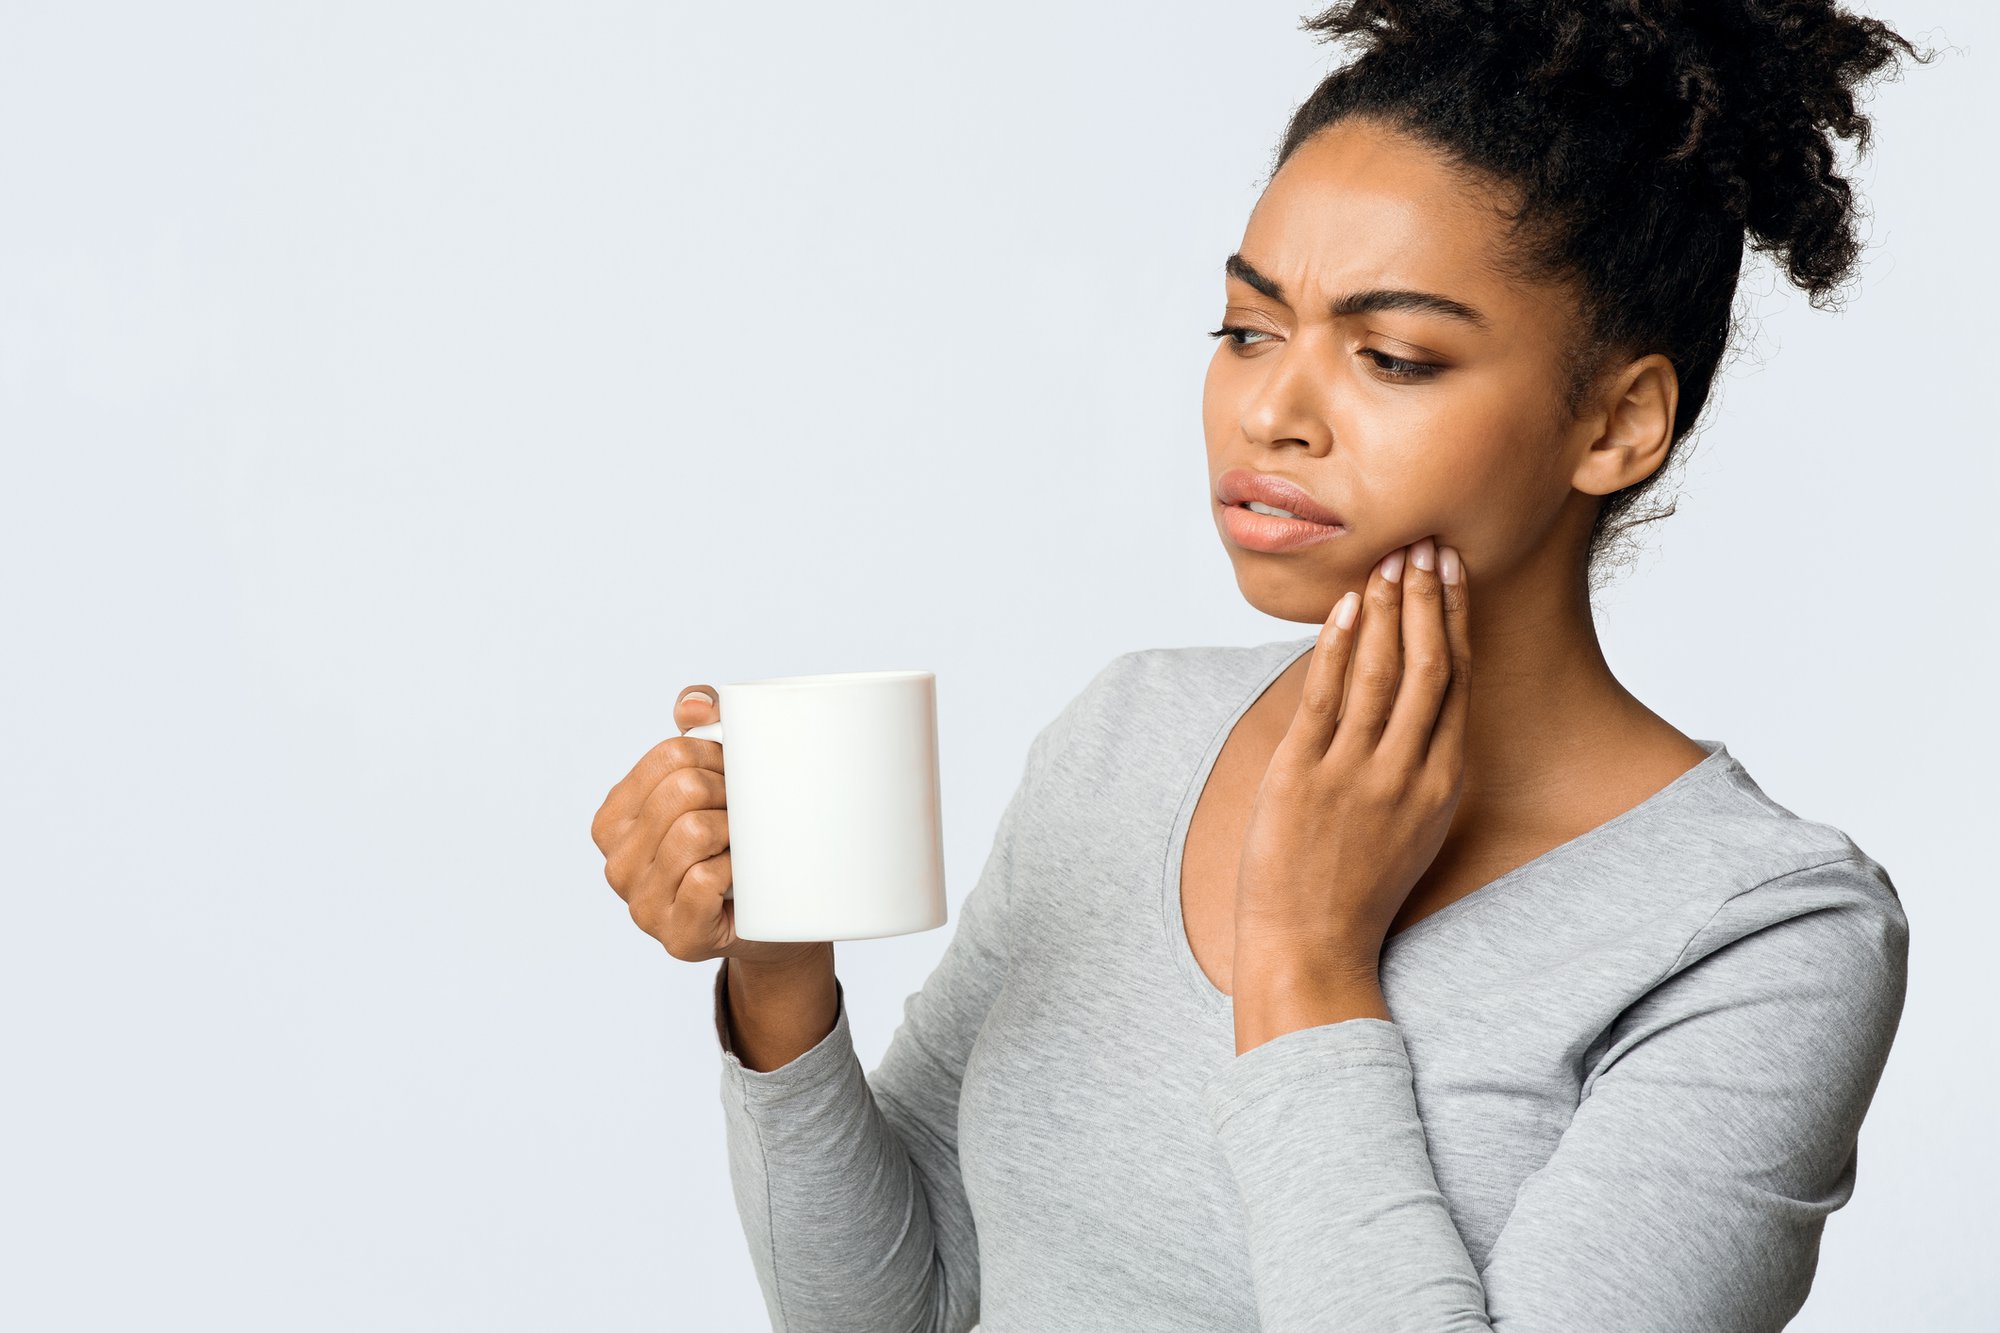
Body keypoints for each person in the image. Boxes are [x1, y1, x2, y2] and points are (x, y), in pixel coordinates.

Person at [593, 2, 1931, 1327]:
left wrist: (1304, 963)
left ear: (1620, 421)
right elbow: (896, 1311)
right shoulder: (1128, 737)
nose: (1272, 412)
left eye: (1393, 355)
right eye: (1246, 330)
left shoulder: (1766, 932)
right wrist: (779, 972)